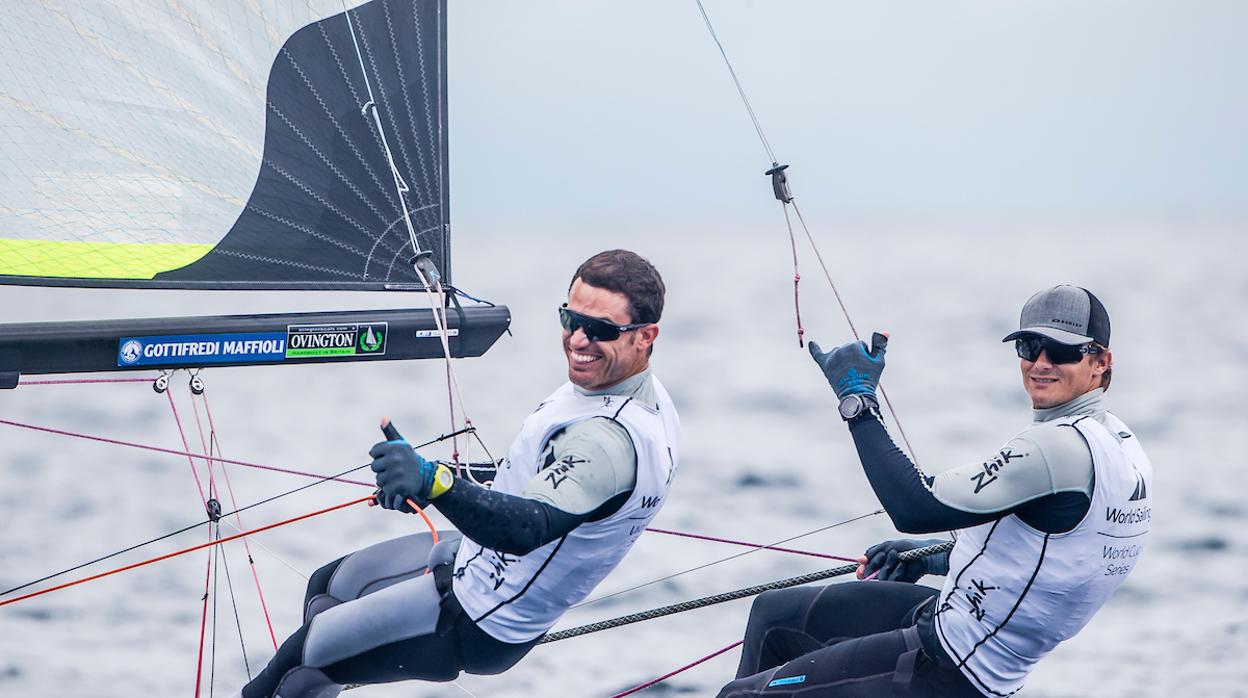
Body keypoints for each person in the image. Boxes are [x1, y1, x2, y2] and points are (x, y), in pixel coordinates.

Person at [238, 250, 679, 697]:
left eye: (599, 329)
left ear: (645, 336)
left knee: (295, 668)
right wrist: (431, 479)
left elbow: (527, 527)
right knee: (329, 586)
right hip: (472, 560)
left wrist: (435, 481)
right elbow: (534, 477)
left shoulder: (606, 442)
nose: (578, 340)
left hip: (477, 616)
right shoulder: (628, 388)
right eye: (570, 319)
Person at [718, 285, 1152, 697]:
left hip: (950, 668)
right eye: (1027, 346)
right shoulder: (1119, 444)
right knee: (773, 616)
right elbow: (1056, 557)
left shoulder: (1060, 447)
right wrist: (934, 556)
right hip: (955, 622)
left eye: (1060, 350)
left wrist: (858, 402)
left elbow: (915, 507)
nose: (1040, 362)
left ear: (1101, 361)